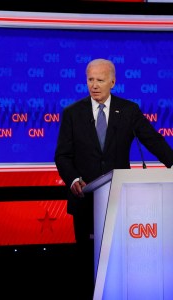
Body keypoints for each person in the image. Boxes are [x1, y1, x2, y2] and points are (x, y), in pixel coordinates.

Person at [54, 58, 173, 299]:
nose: (94, 85)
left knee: (119, 260)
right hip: (85, 200)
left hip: (120, 201)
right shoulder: (72, 113)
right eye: (90, 79)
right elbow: (62, 155)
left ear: (113, 82)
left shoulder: (128, 111)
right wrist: (74, 179)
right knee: (87, 264)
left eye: (100, 80)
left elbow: (153, 140)